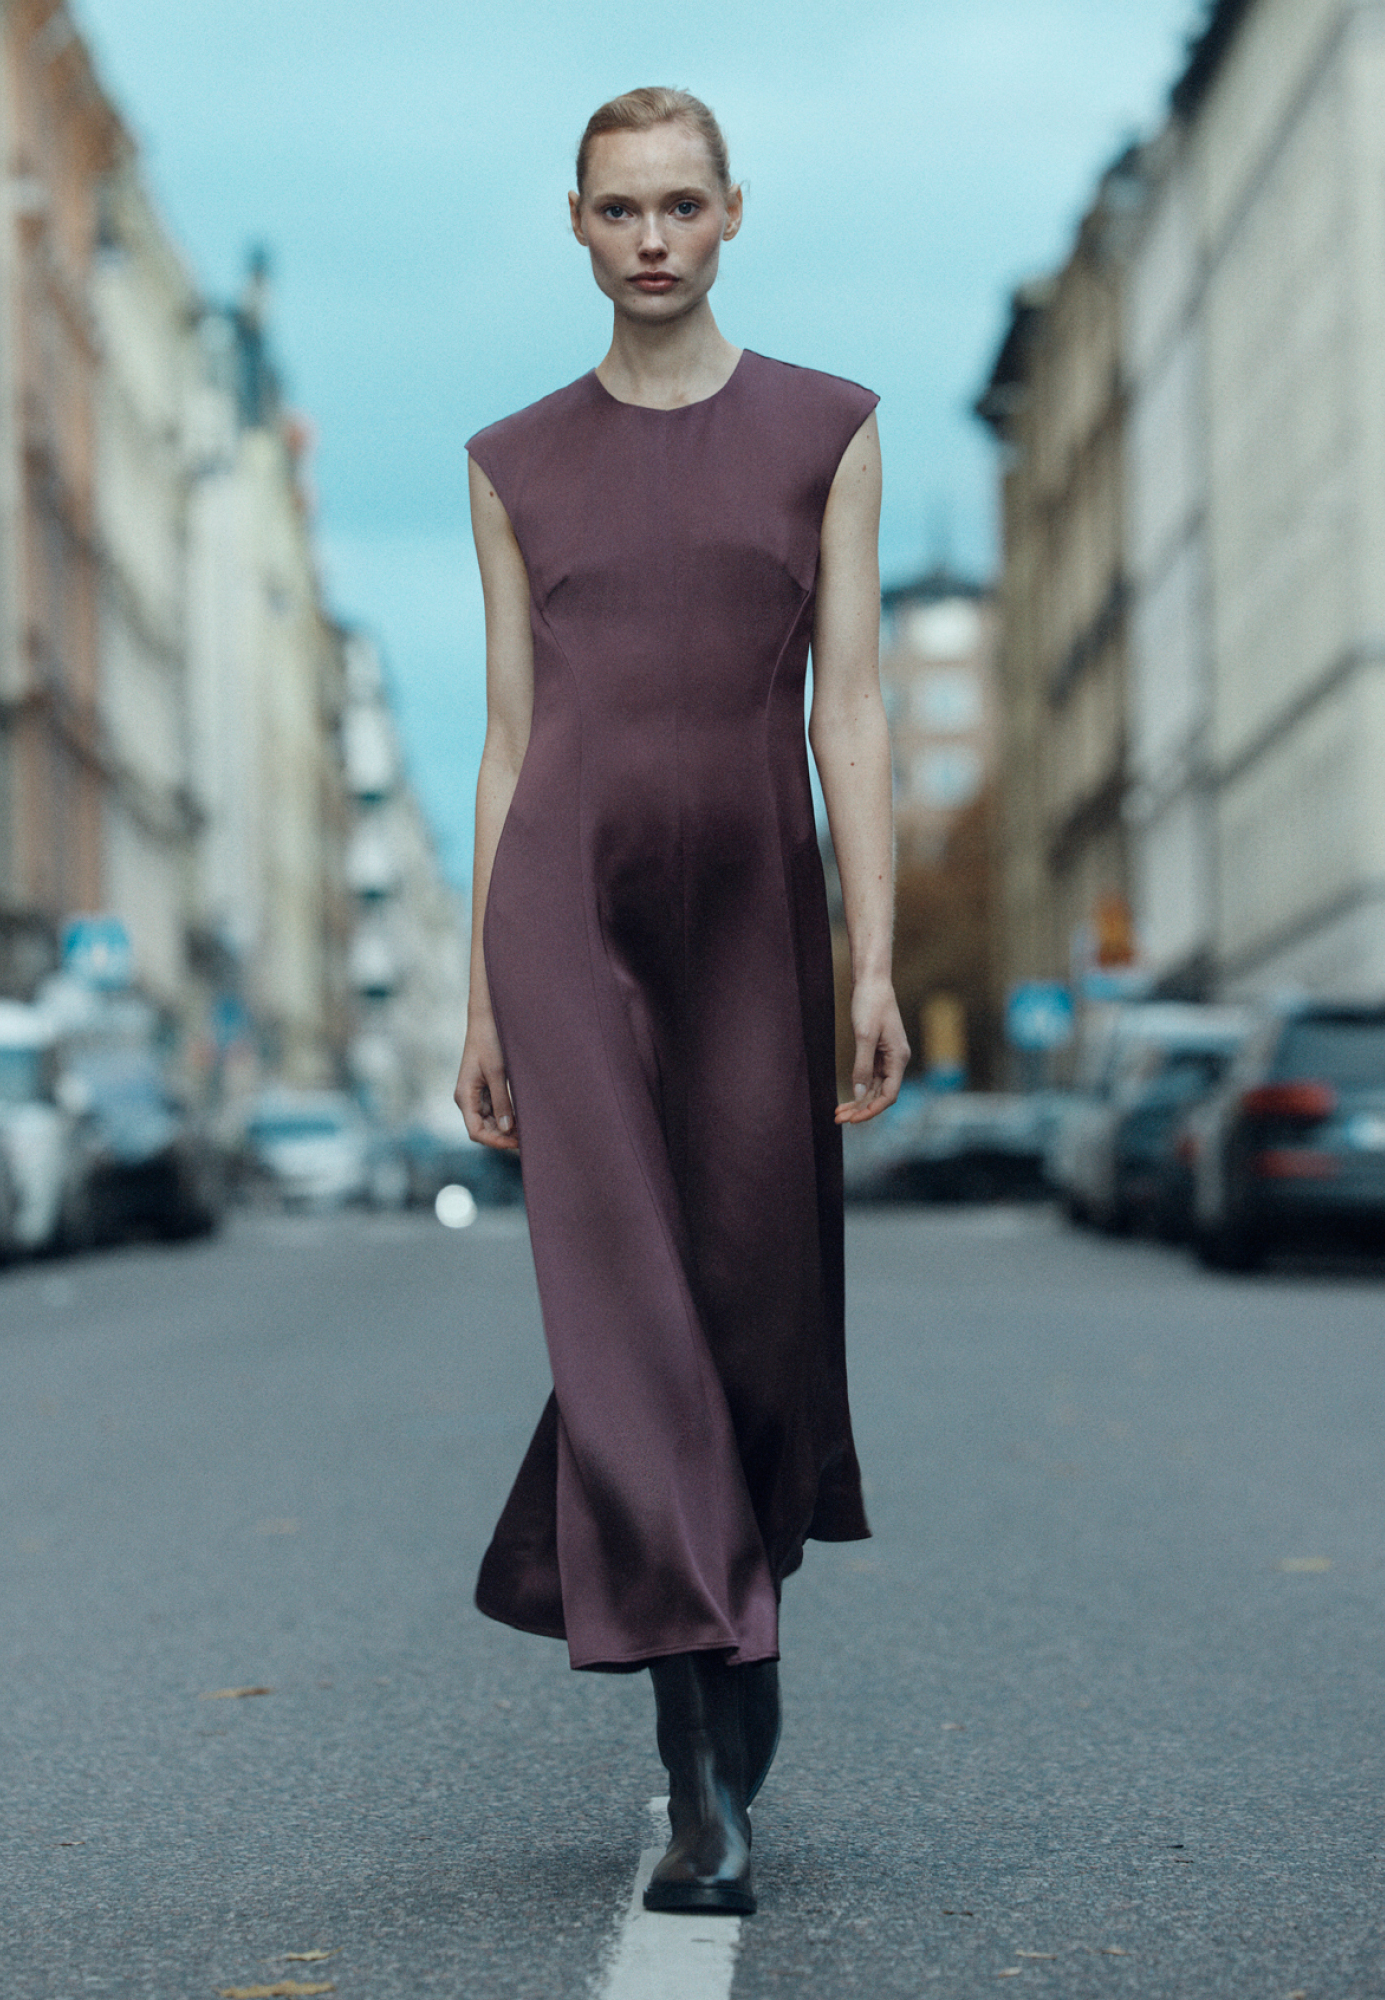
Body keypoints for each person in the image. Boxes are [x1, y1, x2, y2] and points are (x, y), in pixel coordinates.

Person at [456, 87, 908, 1916]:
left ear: (732, 218)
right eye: (617, 208)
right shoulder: (509, 459)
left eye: (679, 206)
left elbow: (851, 714)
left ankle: (736, 1618)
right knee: (624, 1311)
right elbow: (506, 737)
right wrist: (485, 996)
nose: (650, 237)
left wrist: (872, 956)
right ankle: (698, 1774)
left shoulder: (828, 431)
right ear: (574, 225)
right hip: (567, 904)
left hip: (751, 905)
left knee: (749, 1302)